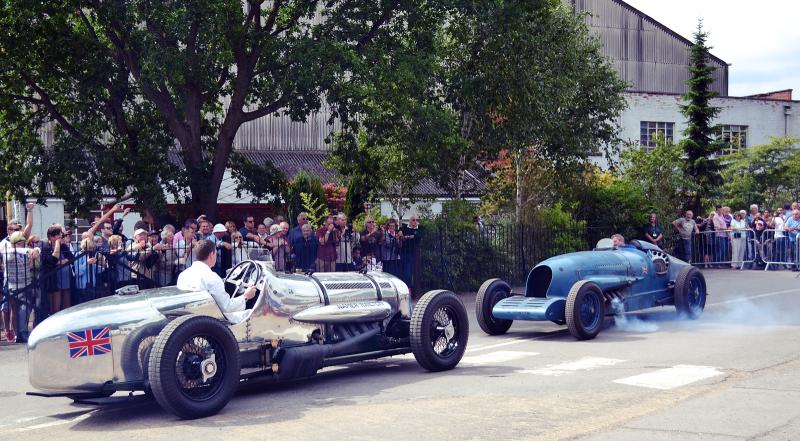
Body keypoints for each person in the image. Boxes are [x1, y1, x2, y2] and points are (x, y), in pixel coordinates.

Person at [177, 240, 256, 323]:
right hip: (212, 322)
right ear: (212, 254)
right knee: (252, 314)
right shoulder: (211, 277)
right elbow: (227, 308)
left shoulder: (183, 275)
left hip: (190, 319)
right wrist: (246, 296)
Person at [0, 232, 39, 342]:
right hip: (14, 286)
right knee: (17, 311)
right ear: (14, 243)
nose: (23, 245)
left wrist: (36, 250)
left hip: (26, 285)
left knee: (25, 311)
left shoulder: (24, 251)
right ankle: (19, 333)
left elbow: (35, 251)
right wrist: (30, 250)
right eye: (20, 243)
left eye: (23, 243)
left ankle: (22, 332)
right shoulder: (9, 253)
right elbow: (15, 250)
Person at [41, 225, 75, 315]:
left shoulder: (64, 246)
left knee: (66, 306)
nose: (61, 238)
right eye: (59, 236)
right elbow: (52, 261)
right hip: (54, 281)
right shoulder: (45, 247)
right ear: (51, 237)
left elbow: (72, 258)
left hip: (65, 280)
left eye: (62, 236)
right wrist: (56, 245)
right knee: (55, 309)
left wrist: (61, 262)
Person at [400, 215, 422, 292]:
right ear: (409, 221)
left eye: (416, 220)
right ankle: (404, 289)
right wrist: (406, 236)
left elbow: (418, 236)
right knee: (403, 272)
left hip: (413, 253)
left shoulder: (420, 228)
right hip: (403, 252)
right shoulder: (404, 227)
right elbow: (400, 234)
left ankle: (410, 290)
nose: (415, 221)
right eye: (413, 220)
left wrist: (406, 237)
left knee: (409, 273)